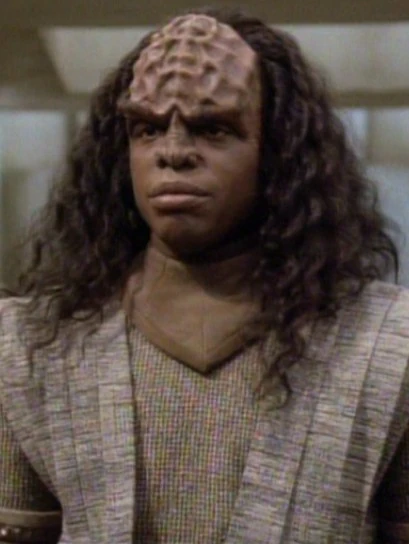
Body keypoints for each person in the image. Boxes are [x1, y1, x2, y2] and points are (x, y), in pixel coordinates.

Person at [1, 7, 409, 544]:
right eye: (148, 128)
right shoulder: (31, 347)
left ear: (277, 150)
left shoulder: (386, 346)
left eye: (213, 128)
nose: (172, 153)